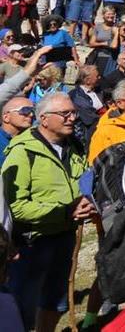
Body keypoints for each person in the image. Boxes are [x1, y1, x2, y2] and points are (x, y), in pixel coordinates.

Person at [2, 93, 97, 332]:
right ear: (43, 119)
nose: (72, 118)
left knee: (55, 301)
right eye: (64, 114)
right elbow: (17, 206)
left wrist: (86, 200)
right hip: (32, 243)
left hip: (64, 236)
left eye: (73, 113)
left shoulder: (73, 147)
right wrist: (65, 212)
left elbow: (83, 179)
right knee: (23, 304)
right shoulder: (23, 152)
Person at [0, 97, 34, 167]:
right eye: (25, 110)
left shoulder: (33, 140)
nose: (31, 115)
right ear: (6, 117)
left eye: (33, 111)